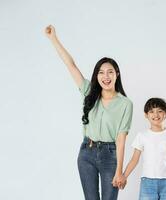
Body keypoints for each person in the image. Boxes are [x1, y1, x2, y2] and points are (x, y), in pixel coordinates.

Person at [45, 25, 133, 200]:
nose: (105, 76)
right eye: (101, 72)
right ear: (97, 76)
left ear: (117, 74)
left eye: (110, 72)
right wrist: (53, 38)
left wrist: (119, 171)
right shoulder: (88, 91)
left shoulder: (125, 104)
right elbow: (70, 65)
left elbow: (121, 140)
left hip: (110, 155)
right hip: (87, 152)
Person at [123, 98, 166, 200]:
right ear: (146, 115)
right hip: (148, 182)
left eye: (160, 111)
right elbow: (134, 160)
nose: (156, 115)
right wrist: (124, 176)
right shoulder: (142, 135)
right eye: (151, 111)